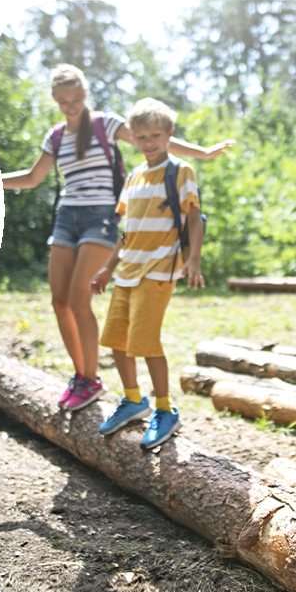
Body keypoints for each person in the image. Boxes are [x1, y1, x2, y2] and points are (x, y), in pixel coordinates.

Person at [0, 64, 233, 410]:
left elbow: (155, 136)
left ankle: (92, 379)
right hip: (66, 217)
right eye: (64, 101)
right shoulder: (55, 136)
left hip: (100, 218)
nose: (71, 106)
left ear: (85, 95)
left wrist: (204, 152)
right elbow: (32, 177)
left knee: (79, 298)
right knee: (59, 300)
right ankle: (82, 376)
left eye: (77, 98)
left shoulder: (104, 124)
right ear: (55, 99)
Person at [90, 98, 204, 450]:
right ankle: (133, 399)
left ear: (169, 134)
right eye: (141, 137)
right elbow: (128, 229)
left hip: (159, 268)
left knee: (146, 342)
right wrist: (108, 266)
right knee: (118, 341)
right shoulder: (134, 176)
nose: (149, 142)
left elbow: (194, 217)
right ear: (133, 139)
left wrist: (193, 260)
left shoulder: (180, 170)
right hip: (127, 270)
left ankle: (165, 409)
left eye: (155, 134)